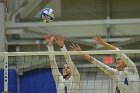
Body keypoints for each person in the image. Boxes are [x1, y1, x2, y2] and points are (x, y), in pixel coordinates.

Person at [69, 35, 140, 93]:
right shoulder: (115, 73)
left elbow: (119, 52)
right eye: (115, 60)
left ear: (125, 61)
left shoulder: (132, 68)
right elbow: (98, 63)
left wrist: (103, 43)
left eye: (118, 59)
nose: (116, 61)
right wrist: (81, 53)